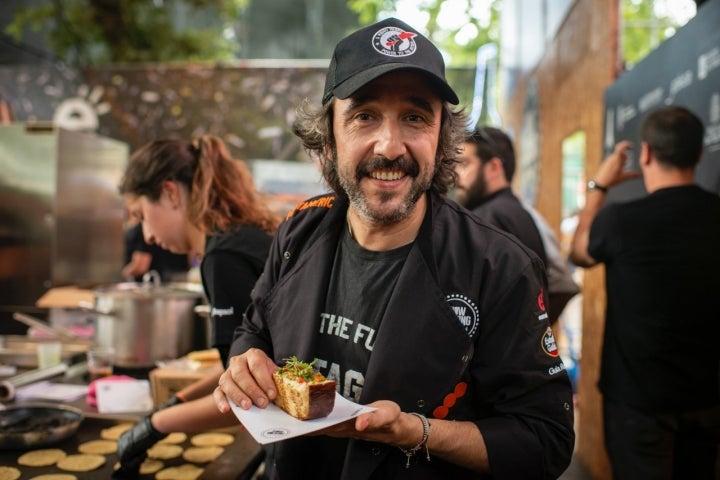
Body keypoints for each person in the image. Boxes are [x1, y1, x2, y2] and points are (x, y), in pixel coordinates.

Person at [214, 17, 574, 480]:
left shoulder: (499, 266)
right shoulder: (298, 231)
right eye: (364, 116)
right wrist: (244, 363)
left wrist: (417, 432)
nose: (390, 145)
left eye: (415, 117)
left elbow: (545, 441)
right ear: (329, 136)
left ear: (442, 137)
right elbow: (254, 330)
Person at [114, 135, 280, 477]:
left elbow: (244, 398)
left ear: (171, 193)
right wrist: (179, 401)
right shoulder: (238, 238)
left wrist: (157, 424)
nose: (145, 235)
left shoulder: (222, 259)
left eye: (141, 215)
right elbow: (238, 368)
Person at [569, 105, 720, 480]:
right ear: (699, 154)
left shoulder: (620, 221)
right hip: (707, 398)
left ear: (647, 153)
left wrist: (598, 187)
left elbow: (578, 253)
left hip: (637, 405)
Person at [455, 126, 579, 325]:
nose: (456, 177)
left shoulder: (486, 219)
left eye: (464, 164)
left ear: (494, 167)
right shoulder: (522, 214)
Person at [121, 220, 190, 282]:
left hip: (164, 279)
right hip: (175, 276)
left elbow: (141, 266)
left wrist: (123, 273)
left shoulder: (140, 229)